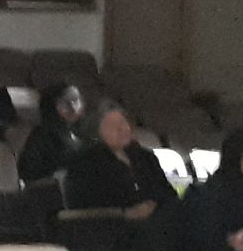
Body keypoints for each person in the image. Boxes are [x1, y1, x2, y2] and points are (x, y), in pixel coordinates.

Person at [59, 102, 178, 240]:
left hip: (160, 221)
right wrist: (125, 213)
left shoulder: (145, 157)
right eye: (112, 126)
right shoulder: (84, 164)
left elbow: (168, 193)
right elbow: (85, 208)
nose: (122, 129)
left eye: (123, 122)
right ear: (96, 132)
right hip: (115, 231)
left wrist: (155, 205)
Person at [15, 84, 84, 185]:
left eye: (76, 100)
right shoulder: (42, 136)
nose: (73, 108)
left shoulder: (83, 131)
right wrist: (55, 175)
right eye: (65, 103)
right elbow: (27, 172)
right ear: (51, 107)